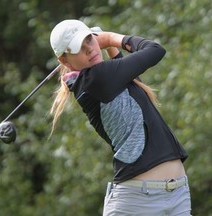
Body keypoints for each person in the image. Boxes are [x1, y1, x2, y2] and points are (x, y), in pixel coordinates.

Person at [49, 19, 191, 216]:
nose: (89, 50)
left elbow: (133, 84)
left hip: (178, 197)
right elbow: (155, 50)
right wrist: (112, 38)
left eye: (89, 40)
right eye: (79, 48)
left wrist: (109, 49)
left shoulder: (101, 79)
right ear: (64, 61)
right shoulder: (94, 79)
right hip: (137, 203)